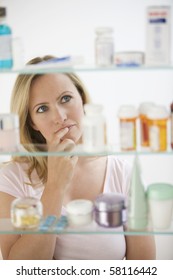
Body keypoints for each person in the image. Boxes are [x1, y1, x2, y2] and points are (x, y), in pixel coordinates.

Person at [0, 56, 156, 260]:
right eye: (42, 108)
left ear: (82, 99)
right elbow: (18, 271)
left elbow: (146, 269)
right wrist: (55, 186)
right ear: (33, 123)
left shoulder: (122, 172)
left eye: (65, 98)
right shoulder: (11, 178)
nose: (60, 116)